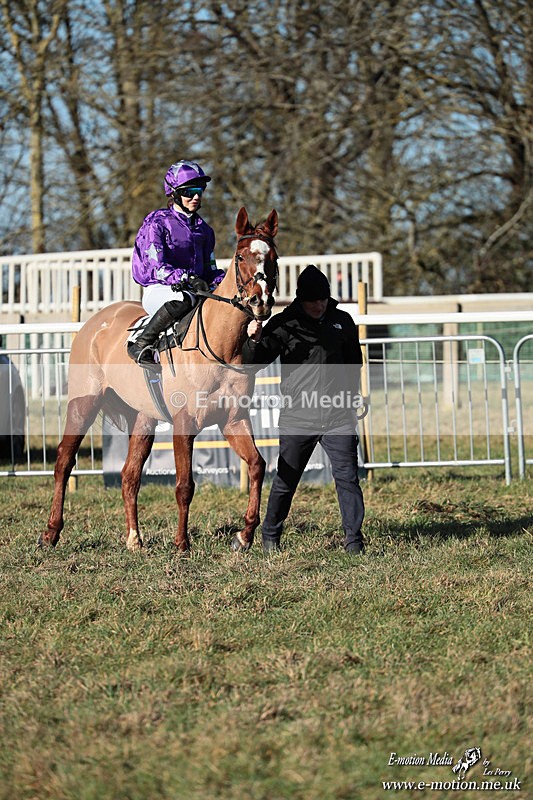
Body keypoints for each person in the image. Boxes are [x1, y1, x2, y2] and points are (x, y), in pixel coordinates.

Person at [243, 264, 365, 554]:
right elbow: (254, 362)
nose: (319, 305)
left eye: (323, 299)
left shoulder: (342, 321)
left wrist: (354, 396)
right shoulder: (284, 324)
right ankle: (270, 537)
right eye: (313, 300)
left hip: (338, 415)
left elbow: (353, 363)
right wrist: (253, 339)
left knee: (348, 479)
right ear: (301, 299)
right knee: (286, 481)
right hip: (298, 415)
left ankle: (354, 542)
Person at [127, 160, 225, 371]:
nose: (196, 196)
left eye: (200, 190)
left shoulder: (205, 230)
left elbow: (210, 270)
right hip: (161, 288)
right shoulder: (157, 223)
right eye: (190, 191)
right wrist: (186, 278)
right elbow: (156, 266)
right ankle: (141, 343)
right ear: (174, 193)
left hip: (193, 290)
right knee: (184, 299)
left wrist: (227, 283)